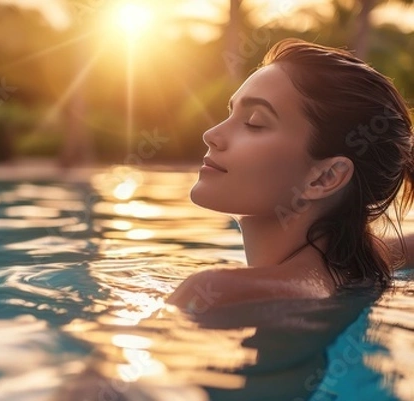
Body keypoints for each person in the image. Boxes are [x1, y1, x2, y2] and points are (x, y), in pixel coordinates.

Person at [168, 38, 414, 313]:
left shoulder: (216, 294)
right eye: (231, 113)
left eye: (254, 123)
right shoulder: (360, 264)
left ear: (326, 178)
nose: (211, 135)